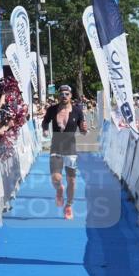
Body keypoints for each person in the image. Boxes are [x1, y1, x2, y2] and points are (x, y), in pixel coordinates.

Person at [41, 85, 89, 220]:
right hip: (56, 146)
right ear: (58, 96)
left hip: (70, 148)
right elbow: (45, 122)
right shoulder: (52, 109)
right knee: (56, 178)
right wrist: (45, 130)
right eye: (61, 94)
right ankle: (59, 189)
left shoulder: (77, 111)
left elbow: (83, 131)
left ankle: (68, 205)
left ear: (71, 95)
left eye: (67, 94)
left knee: (72, 180)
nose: (64, 96)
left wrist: (84, 129)